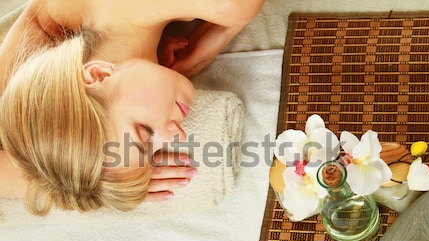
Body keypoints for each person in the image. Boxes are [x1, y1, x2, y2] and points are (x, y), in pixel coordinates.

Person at [0, 0, 265, 215]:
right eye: (153, 151)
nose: (177, 136)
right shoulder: (60, 13)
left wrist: (227, 26)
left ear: (98, 74)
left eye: (145, 132)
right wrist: (92, 179)